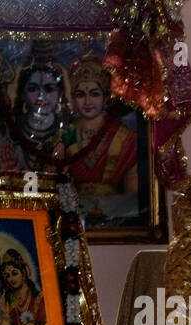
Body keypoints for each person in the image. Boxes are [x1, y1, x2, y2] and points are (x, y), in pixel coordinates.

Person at [62, 56, 139, 218]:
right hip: (74, 215)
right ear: (74, 100)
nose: (87, 101)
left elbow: (134, 196)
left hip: (116, 214)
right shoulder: (64, 136)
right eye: (80, 94)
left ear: (105, 98)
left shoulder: (126, 138)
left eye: (94, 94)